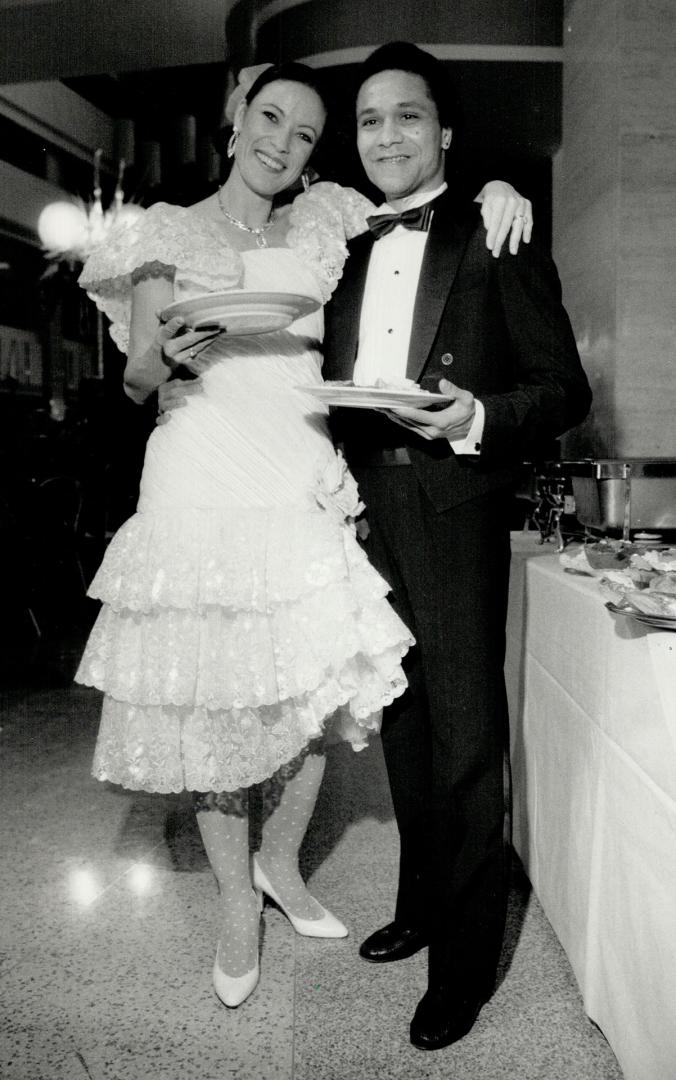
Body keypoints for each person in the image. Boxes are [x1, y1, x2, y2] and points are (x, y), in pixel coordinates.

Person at [76, 60, 532, 1012]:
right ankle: (238, 907)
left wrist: (495, 183)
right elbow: (136, 378)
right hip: (202, 468)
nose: (284, 144)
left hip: (301, 472)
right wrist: (172, 352)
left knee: (314, 693)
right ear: (235, 120)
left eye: (306, 133)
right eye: (270, 120)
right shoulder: (167, 228)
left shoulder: (329, 218)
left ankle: (282, 864)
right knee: (217, 698)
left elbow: (426, 204)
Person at [321, 42, 593, 1051]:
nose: (384, 135)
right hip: (364, 513)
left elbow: (563, 390)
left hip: (456, 500)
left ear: (443, 130)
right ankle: (424, 902)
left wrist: (478, 413)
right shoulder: (346, 246)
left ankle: (464, 965)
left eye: (405, 116)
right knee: (401, 721)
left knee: (467, 738)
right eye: (368, 121)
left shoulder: (494, 231)